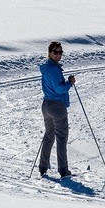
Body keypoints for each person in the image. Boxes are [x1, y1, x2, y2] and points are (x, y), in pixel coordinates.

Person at [38, 42, 76, 178]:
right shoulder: (53, 69)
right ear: (49, 53)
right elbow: (59, 88)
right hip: (57, 106)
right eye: (56, 52)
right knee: (61, 138)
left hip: (46, 105)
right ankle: (63, 170)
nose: (58, 55)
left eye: (61, 52)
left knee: (49, 136)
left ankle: (43, 167)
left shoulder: (47, 67)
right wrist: (70, 83)